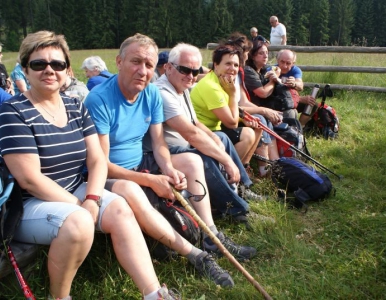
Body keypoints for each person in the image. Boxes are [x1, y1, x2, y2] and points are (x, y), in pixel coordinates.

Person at [0, 30, 180, 300]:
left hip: (76, 189)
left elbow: (96, 160)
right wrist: (81, 207)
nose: (49, 70)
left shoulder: (75, 106)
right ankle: (59, 297)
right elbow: (29, 180)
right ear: (25, 68)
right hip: (29, 204)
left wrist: (93, 199)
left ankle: (154, 294)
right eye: (39, 64)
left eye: (57, 64)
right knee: (79, 222)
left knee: (119, 206)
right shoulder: (14, 111)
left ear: (67, 70)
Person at [85, 33, 257, 288]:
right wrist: (151, 179)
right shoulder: (99, 99)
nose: (142, 70)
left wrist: (166, 168)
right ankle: (197, 255)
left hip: (142, 161)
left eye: (148, 65)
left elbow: (158, 143)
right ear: (119, 62)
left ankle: (211, 235)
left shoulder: (150, 94)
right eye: (136, 62)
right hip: (112, 173)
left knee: (191, 162)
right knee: (136, 189)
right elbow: (102, 163)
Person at [153, 43, 262, 216]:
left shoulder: (181, 87)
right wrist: (227, 160)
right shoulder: (163, 93)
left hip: (182, 142)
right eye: (185, 70)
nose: (191, 76)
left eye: (195, 72)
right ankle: (236, 210)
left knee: (222, 138)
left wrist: (213, 137)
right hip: (168, 150)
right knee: (204, 157)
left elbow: (195, 122)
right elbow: (192, 133)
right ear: (168, 67)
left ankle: (242, 186)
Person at [190, 45, 261, 172]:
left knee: (257, 126)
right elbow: (231, 123)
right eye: (228, 63)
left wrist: (243, 119)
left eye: (235, 65)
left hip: (216, 127)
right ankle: (227, 173)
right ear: (216, 65)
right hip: (204, 131)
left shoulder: (222, 81)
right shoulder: (211, 86)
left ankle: (244, 169)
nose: (232, 69)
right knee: (248, 135)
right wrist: (232, 94)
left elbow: (229, 113)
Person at [224, 33, 281, 175]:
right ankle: (259, 168)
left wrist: (267, 111)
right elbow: (232, 107)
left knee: (263, 118)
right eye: (247, 52)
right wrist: (263, 111)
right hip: (226, 118)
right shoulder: (228, 75)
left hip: (237, 113)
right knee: (259, 119)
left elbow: (243, 101)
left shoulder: (240, 73)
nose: (247, 56)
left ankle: (272, 163)